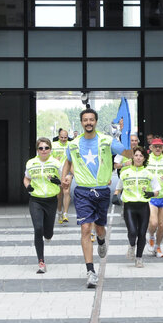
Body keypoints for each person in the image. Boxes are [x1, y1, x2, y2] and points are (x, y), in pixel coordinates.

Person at [61, 108, 125, 289]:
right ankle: (90, 271)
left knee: (99, 227)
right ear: (81, 122)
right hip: (82, 192)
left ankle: (102, 240)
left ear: (96, 122)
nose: (88, 122)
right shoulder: (73, 144)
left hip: (102, 191)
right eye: (85, 120)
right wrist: (65, 178)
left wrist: (122, 135)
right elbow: (68, 161)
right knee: (85, 228)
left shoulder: (106, 140)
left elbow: (124, 149)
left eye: (91, 120)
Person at [113, 146, 159, 267]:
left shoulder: (149, 174)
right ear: (133, 157)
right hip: (129, 206)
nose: (138, 158)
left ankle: (139, 258)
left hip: (143, 206)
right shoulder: (125, 173)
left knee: (142, 233)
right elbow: (118, 187)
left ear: (144, 158)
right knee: (132, 232)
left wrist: (152, 193)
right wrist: (115, 196)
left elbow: (157, 190)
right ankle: (131, 245)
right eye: (136, 155)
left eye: (141, 156)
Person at [23, 137, 64, 274]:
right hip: (36, 200)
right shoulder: (31, 163)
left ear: (50, 149)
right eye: (41, 148)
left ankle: (48, 235)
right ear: (37, 150)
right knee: (38, 228)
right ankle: (41, 262)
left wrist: (58, 181)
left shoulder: (56, 163)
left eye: (46, 148)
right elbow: (26, 177)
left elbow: (64, 180)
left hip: (51, 200)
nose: (44, 150)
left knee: (48, 232)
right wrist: (28, 186)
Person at [51, 128, 72, 224]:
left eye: (65, 137)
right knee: (59, 195)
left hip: (68, 172)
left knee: (66, 191)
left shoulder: (71, 145)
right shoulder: (53, 145)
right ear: (58, 137)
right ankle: (59, 212)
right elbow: (47, 158)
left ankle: (65, 214)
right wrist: (54, 159)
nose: (64, 139)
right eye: (62, 137)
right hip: (57, 172)